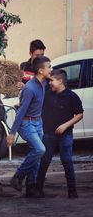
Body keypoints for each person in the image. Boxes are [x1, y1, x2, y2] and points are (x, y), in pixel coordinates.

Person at [6, 56, 52, 198]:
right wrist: (12, 133)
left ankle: (30, 187)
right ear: (40, 70)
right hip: (27, 123)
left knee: (36, 155)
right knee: (40, 149)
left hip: (38, 123)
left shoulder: (43, 83)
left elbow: (56, 80)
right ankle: (18, 177)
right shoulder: (30, 89)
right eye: (49, 67)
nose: (51, 69)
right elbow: (20, 112)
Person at [37, 69, 83, 198]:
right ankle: (38, 188)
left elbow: (79, 114)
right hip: (48, 134)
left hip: (66, 135)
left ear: (61, 81)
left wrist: (65, 125)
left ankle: (72, 190)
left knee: (67, 160)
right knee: (44, 160)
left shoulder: (71, 96)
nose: (49, 83)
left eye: (51, 80)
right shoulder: (47, 95)